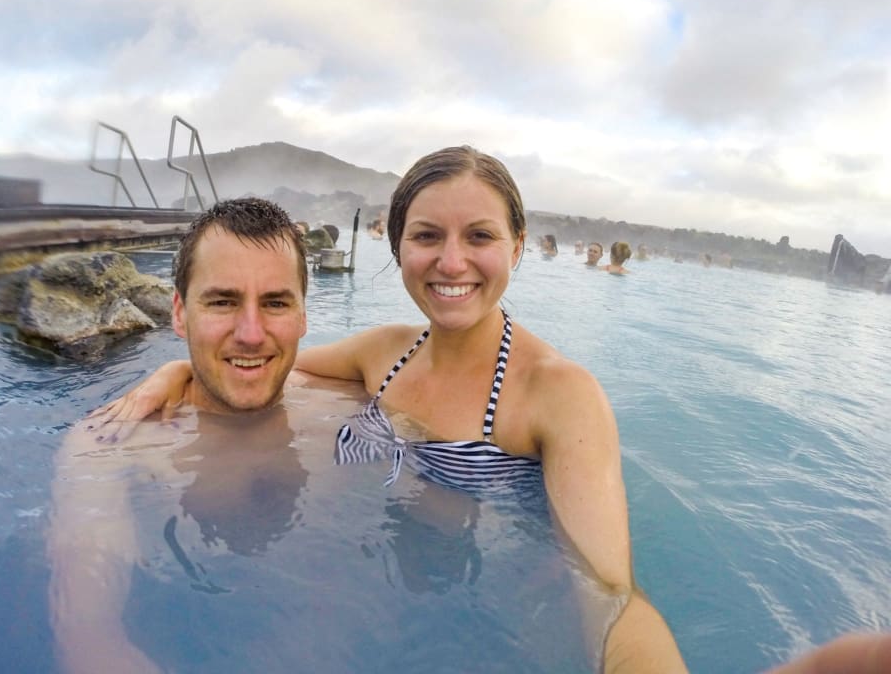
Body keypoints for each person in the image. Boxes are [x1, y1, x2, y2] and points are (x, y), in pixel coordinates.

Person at [95, 147, 687, 672]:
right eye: (427, 236)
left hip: (478, 619)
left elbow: (612, 593)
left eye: (479, 236)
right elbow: (261, 361)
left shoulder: (559, 394)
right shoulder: (385, 352)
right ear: (399, 244)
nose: (451, 262)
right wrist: (173, 370)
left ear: (518, 245)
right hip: (365, 585)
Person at [50, 198, 368, 673]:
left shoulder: (350, 408)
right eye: (222, 302)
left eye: (276, 303)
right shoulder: (111, 445)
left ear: (304, 315)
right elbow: (92, 643)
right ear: (179, 313)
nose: (251, 333)